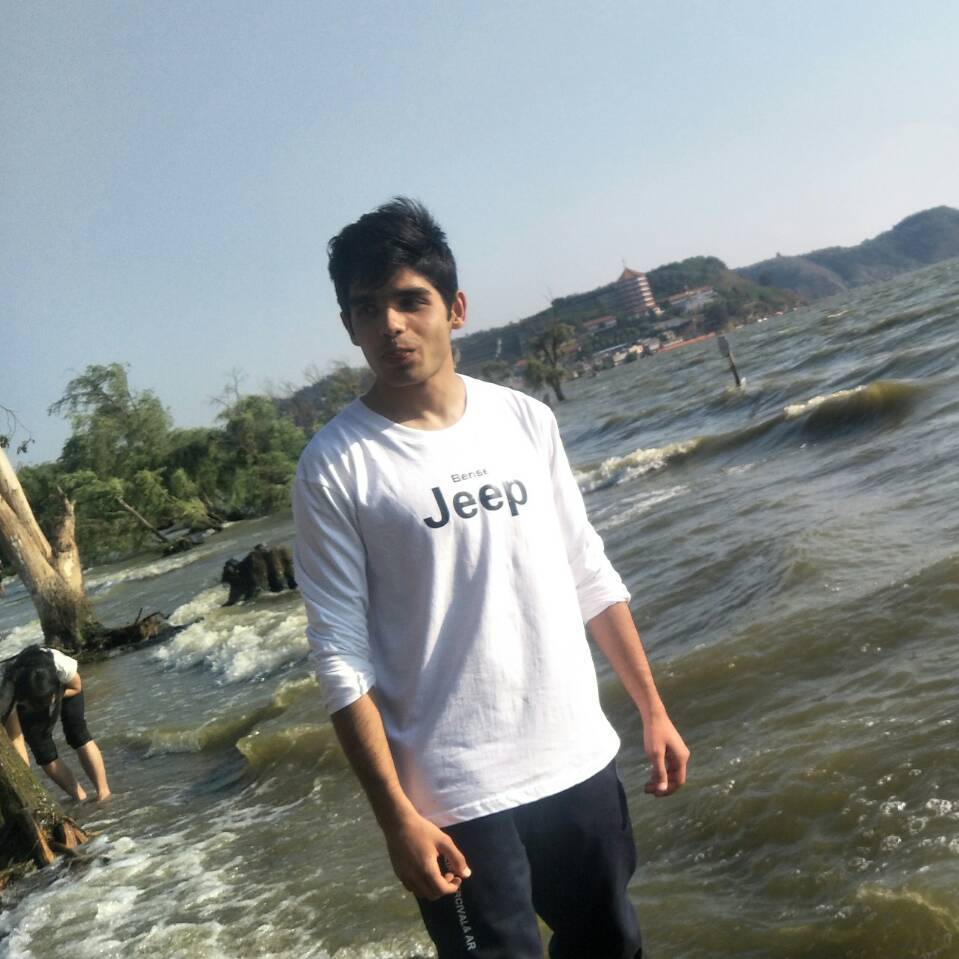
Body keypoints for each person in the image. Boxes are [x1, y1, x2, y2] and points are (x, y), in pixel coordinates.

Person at [293, 198, 689, 958]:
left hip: (575, 756)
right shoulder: (335, 466)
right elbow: (339, 656)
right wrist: (396, 817)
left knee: (612, 944)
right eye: (367, 309)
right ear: (349, 325)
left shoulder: (524, 420)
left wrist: (652, 708)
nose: (391, 325)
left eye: (411, 300)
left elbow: (587, 568)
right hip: (453, 795)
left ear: (456, 308)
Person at [0, 644, 112, 802]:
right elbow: (16, 738)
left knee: (77, 733)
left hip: (66, 689)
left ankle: (104, 793)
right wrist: (24, 778)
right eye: (36, 704)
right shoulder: (8, 693)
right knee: (42, 750)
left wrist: (54, 697)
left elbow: (76, 687)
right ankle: (80, 798)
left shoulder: (62, 666)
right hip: (29, 694)